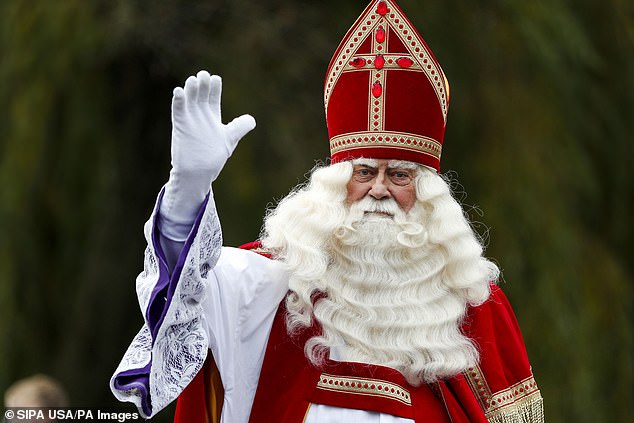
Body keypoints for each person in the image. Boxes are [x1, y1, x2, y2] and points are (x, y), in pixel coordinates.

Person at [111, 1, 543, 422]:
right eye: (363, 172)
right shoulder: (275, 287)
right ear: (334, 186)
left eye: (398, 175)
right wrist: (189, 189)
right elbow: (183, 294)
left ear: (427, 194)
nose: (378, 190)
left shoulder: (474, 306)